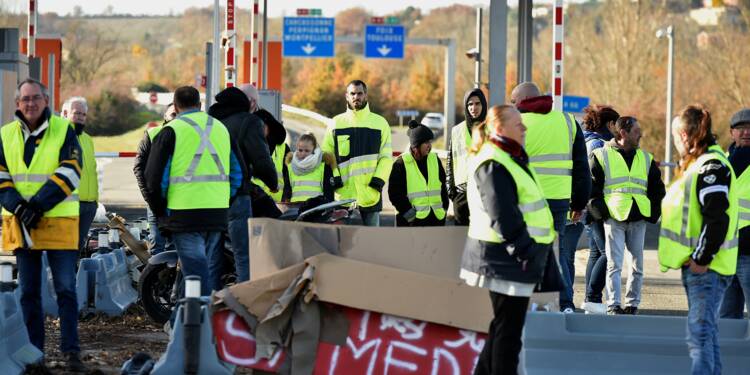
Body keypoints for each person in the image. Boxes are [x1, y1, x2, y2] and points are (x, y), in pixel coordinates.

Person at [460, 105, 554, 375]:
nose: (524, 128)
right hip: (507, 257)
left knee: (503, 327)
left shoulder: (505, 156)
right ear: (500, 128)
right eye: (518, 123)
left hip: (508, 256)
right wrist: (526, 252)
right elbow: (503, 214)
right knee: (508, 333)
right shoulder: (495, 161)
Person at [0, 78, 86, 371]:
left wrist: (36, 205)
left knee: (65, 289)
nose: (31, 103)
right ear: (17, 104)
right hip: (23, 224)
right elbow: (1, 177)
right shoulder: (5, 134)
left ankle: (71, 353)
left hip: (58, 221)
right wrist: (18, 206)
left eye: (36, 98)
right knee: (28, 292)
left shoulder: (65, 130)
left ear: (46, 101)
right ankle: (34, 354)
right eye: (25, 99)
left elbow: (72, 171)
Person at [658, 105, 738, 374]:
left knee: (700, 336)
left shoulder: (710, 166)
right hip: (703, 267)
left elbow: (717, 218)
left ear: (682, 135)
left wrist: (701, 258)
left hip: (707, 268)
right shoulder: (701, 165)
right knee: (707, 335)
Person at [144, 86, 241, 295]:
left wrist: (161, 213)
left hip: (183, 213)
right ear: (200, 105)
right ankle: (185, 319)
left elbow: (153, 180)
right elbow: (237, 174)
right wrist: (224, 199)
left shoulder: (170, 131)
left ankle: (197, 319)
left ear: (176, 107)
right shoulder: (221, 129)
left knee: (195, 272)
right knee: (203, 269)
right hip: (216, 212)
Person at [510, 82, 591, 313]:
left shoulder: (517, 124)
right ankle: (564, 303)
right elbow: (581, 168)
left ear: (525, 99)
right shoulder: (567, 122)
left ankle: (532, 302)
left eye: (513, 101)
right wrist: (579, 202)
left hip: (527, 200)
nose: (511, 105)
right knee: (556, 252)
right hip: (559, 201)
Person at [589, 116, 665, 315]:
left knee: (637, 264)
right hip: (614, 216)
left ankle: (632, 304)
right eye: (636, 131)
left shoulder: (646, 158)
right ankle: (613, 304)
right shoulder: (600, 155)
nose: (640, 134)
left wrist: (653, 213)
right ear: (623, 133)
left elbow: (658, 190)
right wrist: (602, 214)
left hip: (638, 216)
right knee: (614, 263)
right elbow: (592, 190)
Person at [208, 86, 278, 283]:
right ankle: (242, 305)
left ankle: (210, 307)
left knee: (213, 256)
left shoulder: (211, 122)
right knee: (244, 255)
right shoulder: (249, 121)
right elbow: (261, 160)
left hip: (209, 195)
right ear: (252, 104)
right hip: (237, 194)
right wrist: (273, 183)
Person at [322, 80, 393, 227]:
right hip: (342, 193)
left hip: (370, 192)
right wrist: (335, 179)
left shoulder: (380, 123)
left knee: (373, 241)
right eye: (352, 93)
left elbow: (386, 157)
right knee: (341, 241)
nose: (356, 97)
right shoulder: (335, 123)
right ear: (346, 96)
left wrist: (378, 181)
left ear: (366, 95)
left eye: (360, 93)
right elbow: (327, 156)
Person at [580, 105, 619, 314]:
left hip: (589, 204)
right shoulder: (599, 144)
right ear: (610, 124)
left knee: (596, 252)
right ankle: (592, 296)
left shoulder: (586, 140)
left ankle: (591, 299)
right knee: (608, 252)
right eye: (616, 124)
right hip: (598, 204)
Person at [719, 108, 750, 319]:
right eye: (741, 128)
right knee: (727, 318)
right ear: (732, 132)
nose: (746, 132)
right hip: (727, 251)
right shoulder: (722, 160)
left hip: (749, 250)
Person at [134, 104, 176, 255]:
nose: (175, 119)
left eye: (178, 115)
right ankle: (157, 278)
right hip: (157, 201)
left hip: (182, 202)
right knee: (157, 249)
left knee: (178, 250)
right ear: (165, 116)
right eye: (172, 115)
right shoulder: (153, 134)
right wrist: (149, 197)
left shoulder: (189, 135)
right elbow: (139, 167)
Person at [389, 120, 448, 227]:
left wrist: (444, 208)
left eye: (430, 142)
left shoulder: (435, 159)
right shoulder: (401, 163)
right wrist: (410, 215)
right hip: (412, 223)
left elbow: (443, 186)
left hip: (437, 220)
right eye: (426, 143)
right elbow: (395, 194)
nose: (429, 146)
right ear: (416, 145)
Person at [62, 96, 98, 253]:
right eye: (76, 113)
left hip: (89, 204)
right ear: (65, 113)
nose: (80, 117)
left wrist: (95, 201)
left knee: (77, 249)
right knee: (65, 249)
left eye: (83, 114)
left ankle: (73, 277)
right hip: (69, 204)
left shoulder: (88, 139)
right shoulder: (58, 137)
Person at [447, 88, 487, 225]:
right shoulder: (457, 130)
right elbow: (450, 163)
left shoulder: (492, 128)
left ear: (483, 105)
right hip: (461, 195)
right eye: (470, 104)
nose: (473, 107)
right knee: (459, 240)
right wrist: (452, 193)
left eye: (477, 103)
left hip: (484, 191)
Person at [284, 133, 340, 209]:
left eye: (307, 151)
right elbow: (287, 192)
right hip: (295, 210)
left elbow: (329, 193)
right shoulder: (291, 167)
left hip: (315, 210)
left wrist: (329, 212)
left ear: (314, 150)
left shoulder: (324, 166)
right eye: (300, 150)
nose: (303, 153)